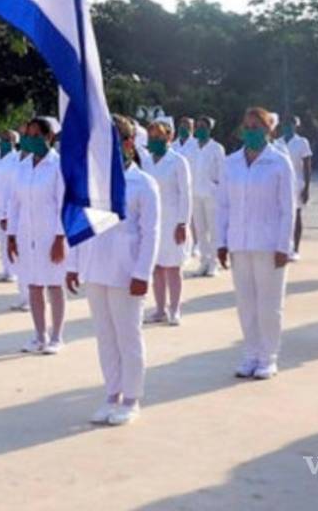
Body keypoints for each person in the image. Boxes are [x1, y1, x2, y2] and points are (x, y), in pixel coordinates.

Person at [67, 114, 161, 425]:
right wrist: (73, 265)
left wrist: (142, 274)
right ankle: (112, 394)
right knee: (105, 337)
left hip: (126, 272)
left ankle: (131, 399)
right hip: (95, 268)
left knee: (128, 337)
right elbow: (81, 224)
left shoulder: (143, 184)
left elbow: (151, 233)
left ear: (128, 143)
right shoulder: (94, 181)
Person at [217, 107, 295, 379]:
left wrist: (284, 246)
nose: (251, 132)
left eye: (257, 127)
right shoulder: (231, 163)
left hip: (269, 244)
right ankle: (250, 354)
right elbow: (223, 205)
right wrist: (221, 242)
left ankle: (268, 357)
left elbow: (288, 208)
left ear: (269, 130)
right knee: (246, 304)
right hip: (239, 243)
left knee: (269, 305)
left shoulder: (280, 162)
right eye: (247, 127)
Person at [6, 117, 68, 354]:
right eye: (27, 135)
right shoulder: (22, 166)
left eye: (35, 135)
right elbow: (15, 203)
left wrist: (60, 238)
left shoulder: (58, 165)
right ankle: (39, 335)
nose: (30, 139)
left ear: (49, 137)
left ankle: (57, 336)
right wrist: (11, 235)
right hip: (26, 234)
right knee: (33, 284)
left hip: (50, 235)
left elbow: (63, 204)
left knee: (54, 284)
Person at [144, 118, 191, 324]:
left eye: (158, 136)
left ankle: (175, 309)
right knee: (157, 267)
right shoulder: (146, 161)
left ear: (168, 137)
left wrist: (182, 223)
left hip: (172, 220)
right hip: (153, 220)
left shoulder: (178, 161)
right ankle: (160, 309)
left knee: (173, 267)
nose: (154, 140)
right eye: (151, 137)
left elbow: (185, 194)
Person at [190, 115, 225, 277]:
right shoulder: (192, 148)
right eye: (198, 126)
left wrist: (216, 188)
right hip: (195, 194)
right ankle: (204, 262)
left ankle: (214, 263)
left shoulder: (217, 148)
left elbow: (222, 174)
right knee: (200, 230)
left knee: (214, 230)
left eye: (203, 127)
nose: (200, 129)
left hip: (212, 195)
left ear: (210, 129)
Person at [0, 129, 23, 289]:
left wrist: (7, 212)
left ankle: (13, 272)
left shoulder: (16, 160)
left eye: (7, 140)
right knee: (1, 241)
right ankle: (6, 270)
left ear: (13, 143)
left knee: (11, 241)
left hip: (7, 207)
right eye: (2, 139)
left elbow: (12, 188)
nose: (3, 142)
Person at [279, 116, 312, 260]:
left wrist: (307, 187)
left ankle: (296, 249)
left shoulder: (302, 142)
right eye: (285, 124)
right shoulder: (277, 142)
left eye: (291, 124)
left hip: (297, 183)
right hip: (280, 183)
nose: (288, 127)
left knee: (296, 214)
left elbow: (307, 165)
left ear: (296, 126)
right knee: (282, 215)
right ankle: (284, 246)